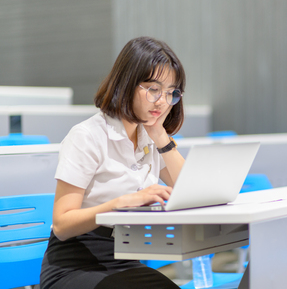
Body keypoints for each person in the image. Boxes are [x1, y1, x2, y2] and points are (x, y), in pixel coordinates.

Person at [40, 37, 186, 289]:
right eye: (153, 89)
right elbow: (62, 224)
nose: (161, 101)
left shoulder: (150, 136)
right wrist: (119, 205)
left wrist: (162, 136)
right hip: (74, 264)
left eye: (170, 92)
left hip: (126, 259)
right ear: (127, 83)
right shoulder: (87, 135)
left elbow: (187, 190)